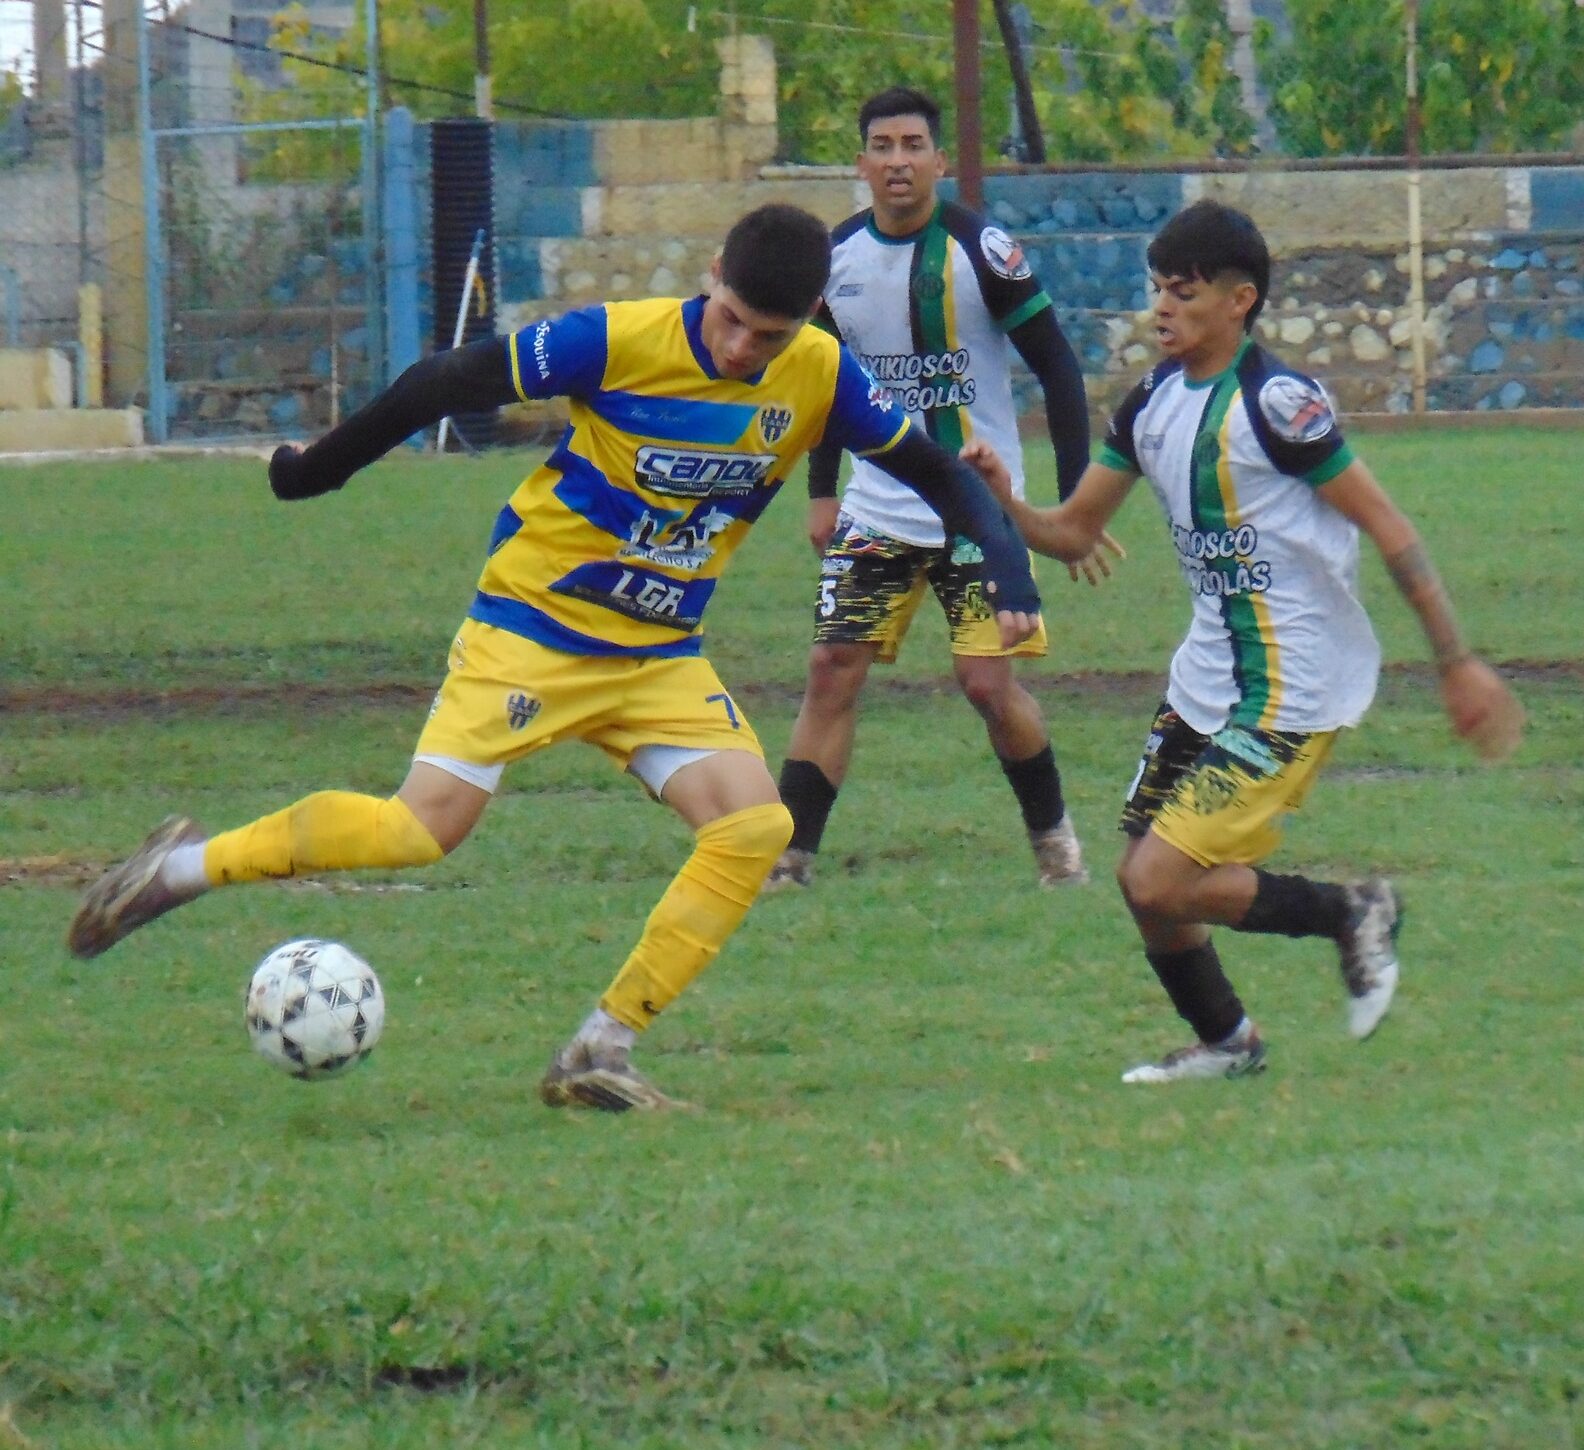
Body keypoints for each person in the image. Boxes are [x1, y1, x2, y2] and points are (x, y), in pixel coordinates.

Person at [66, 203, 1042, 1112]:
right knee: (422, 829)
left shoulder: (821, 372)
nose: (746, 349)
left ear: (810, 321)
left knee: (752, 827)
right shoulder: (618, 339)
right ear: (711, 279)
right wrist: (314, 470)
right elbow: (445, 381)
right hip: (534, 626)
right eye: (735, 320)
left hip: (658, 654)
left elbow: (939, 475)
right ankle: (178, 870)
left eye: (771, 336)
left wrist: (1007, 574)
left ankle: (600, 1050)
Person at [962, 198, 1523, 1084]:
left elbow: (1390, 528)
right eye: (1156, 290)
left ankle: (1352, 910)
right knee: (1141, 879)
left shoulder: (1280, 405)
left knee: (1159, 880)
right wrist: (1004, 495)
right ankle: (1228, 1043)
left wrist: (1457, 663)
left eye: (1182, 293)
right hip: (1207, 680)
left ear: (1239, 299)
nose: (1161, 308)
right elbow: (1072, 535)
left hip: (1292, 690)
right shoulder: (1149, 401)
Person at [763, 87, 1118, 895]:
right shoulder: (833, 259)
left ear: (939, 160)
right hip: (877, 507)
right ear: (861, 163)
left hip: (976, 510)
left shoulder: (982, 249)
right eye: (881, 147)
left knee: (989, 686)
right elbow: (824, 383)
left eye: (912, 145)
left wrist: (1070, 505)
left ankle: (1056, 847)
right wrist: (822, 492)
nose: (897, 162)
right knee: (830, 666)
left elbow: (1058, 368)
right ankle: (791, 859)